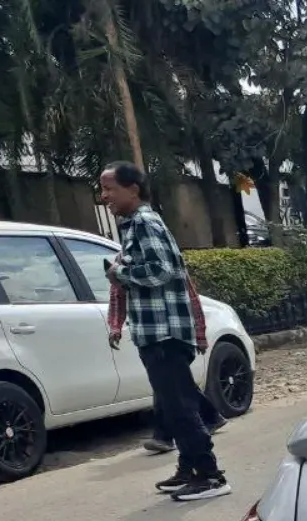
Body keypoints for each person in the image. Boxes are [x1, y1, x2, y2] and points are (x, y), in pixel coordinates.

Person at [99, 162, 231, 501]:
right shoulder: (133, 226)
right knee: (177, 404)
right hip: (154, 332)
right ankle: (189, 467)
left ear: (133, 189)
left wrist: (118, 273)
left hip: (165, 333)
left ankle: (210, 475)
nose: (104, 197)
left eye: (109, 189)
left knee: (179, 407)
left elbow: (164, 269)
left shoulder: (144, 222)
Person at [106, 260, 225, 455]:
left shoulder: (163, 259)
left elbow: (191, 297)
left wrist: (200, 334)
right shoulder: (124, 263)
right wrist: (115, 327)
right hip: (151, 335)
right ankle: (209, 418)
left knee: (170, 386)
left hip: (174, 335)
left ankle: (167, 437)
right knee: (174, 384)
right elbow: (117, 296)